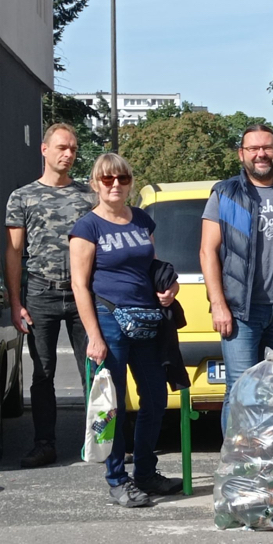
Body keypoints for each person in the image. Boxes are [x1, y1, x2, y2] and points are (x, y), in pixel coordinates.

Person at [70, 153, 182, 507]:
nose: (115, 185)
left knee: (156, 398)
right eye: (107, 179)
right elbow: (79, 284)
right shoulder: (87, 227)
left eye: (122, 179)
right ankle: (117, 479)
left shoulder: (142, 220)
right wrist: (94, 335)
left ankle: (145, 473)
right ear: (95, 184)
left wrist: (168, 289)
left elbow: (150, 267)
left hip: (147, 320)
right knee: (112, 405)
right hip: (108, 320)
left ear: (130, 182)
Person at [199, 124, 273, 432]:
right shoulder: (225, 194)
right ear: (242, 154)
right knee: (241, 391)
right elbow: (207, 251)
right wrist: (218, 303)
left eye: (267, 147)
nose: (261, 154)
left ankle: (271, 465)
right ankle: (237, 468)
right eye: (253, 149)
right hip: (242, 310)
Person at [5, 123, 95, 468]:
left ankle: (99, 441)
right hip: (40, 292)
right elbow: (13, 252)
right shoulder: (23, 197)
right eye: (61, 148)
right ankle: (44, 443)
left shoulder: (88, 196)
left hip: (81, 294)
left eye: (73, 148)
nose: (68, 154)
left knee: (93, 369)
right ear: (44, 150)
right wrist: (16, 302)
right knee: (43, 374)